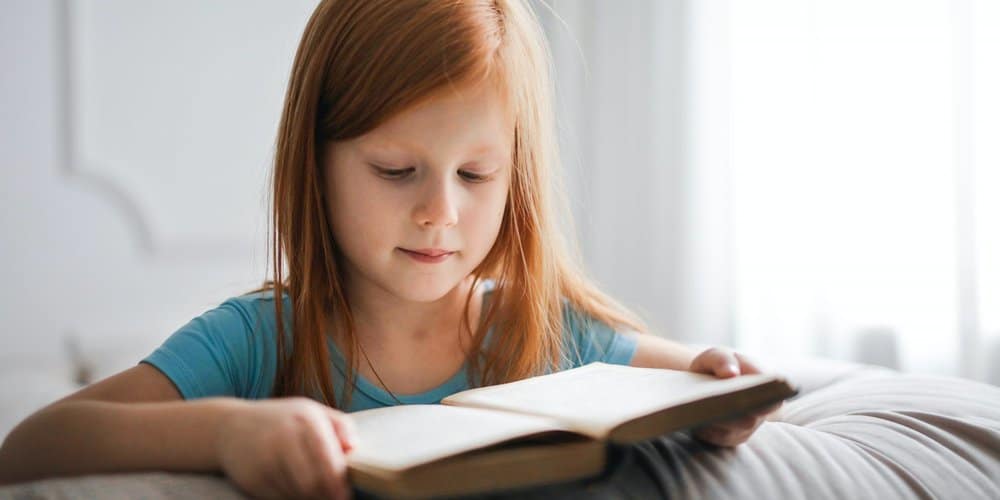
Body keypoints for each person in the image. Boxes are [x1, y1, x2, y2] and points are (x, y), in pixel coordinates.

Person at [0, 0, 781, 498]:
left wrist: (718, 395)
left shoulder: (539, 328)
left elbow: (698, 375)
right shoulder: (256, 340)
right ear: (318, 164)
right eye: (395, 170)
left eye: (476, 174)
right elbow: (31, 445)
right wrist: (225, 430)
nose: (439, 212)